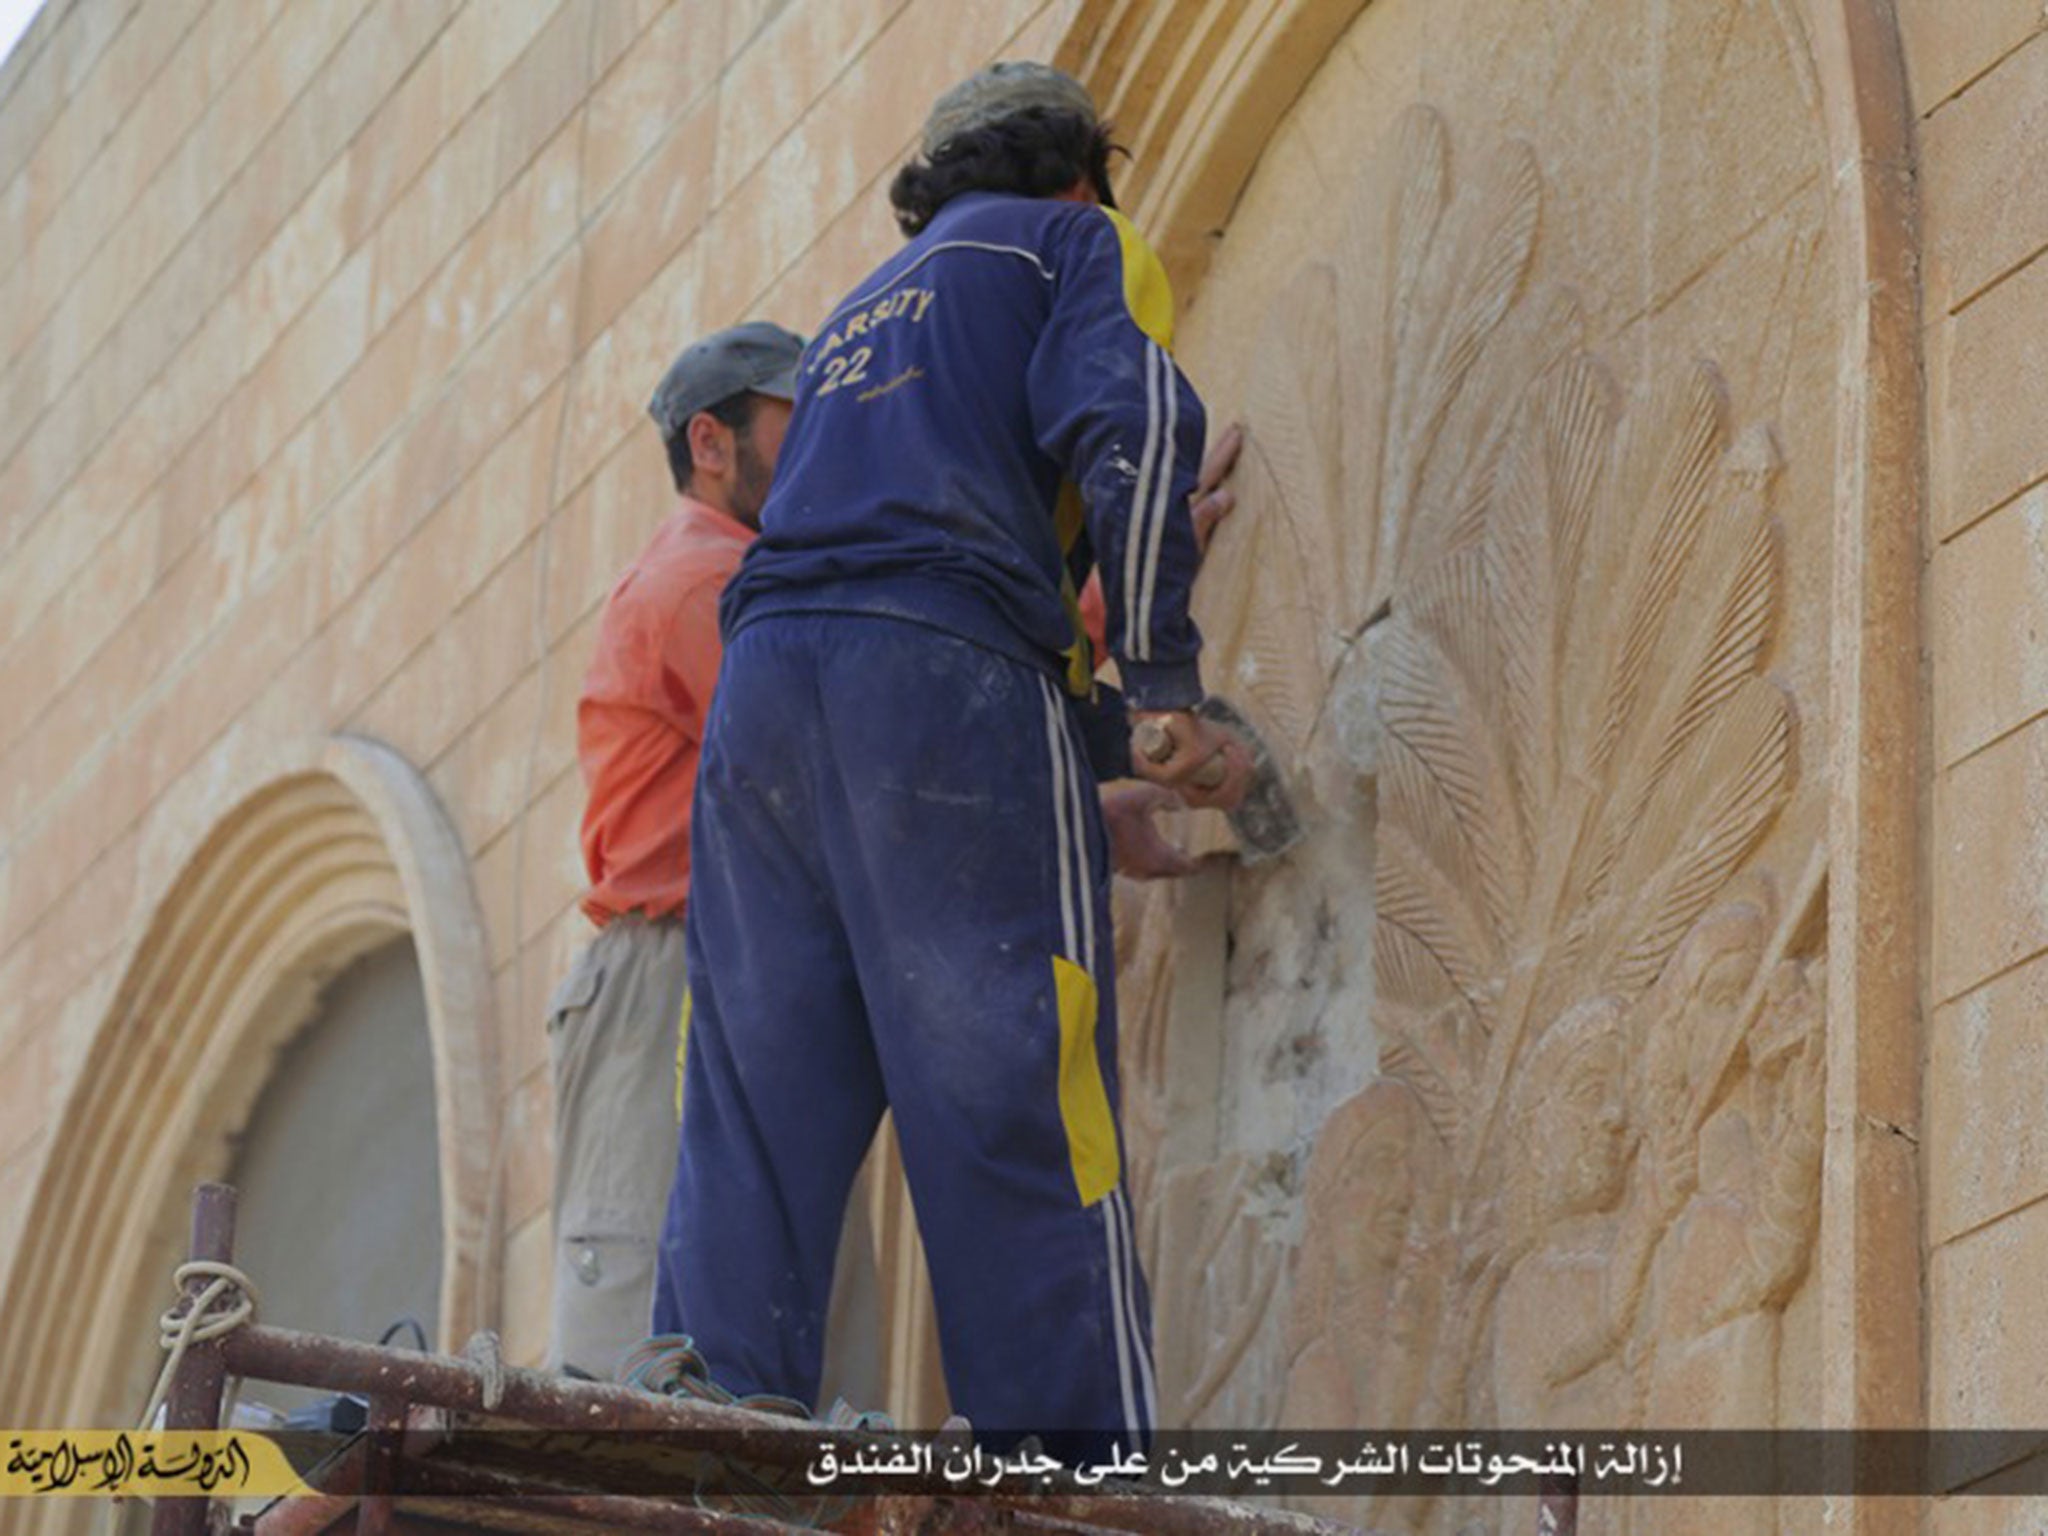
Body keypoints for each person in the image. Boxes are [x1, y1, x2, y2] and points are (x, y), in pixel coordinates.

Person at [653, 62, 1250, 1457]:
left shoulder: (860, 311)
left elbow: (885, 572)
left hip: (768, 705)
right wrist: (1165, 686)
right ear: (1081, 173)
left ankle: (714, 1424)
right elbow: (1142, 432)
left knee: (756, 1086)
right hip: (943, 682)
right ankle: (1078, 1467)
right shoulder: (1069, 242)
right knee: (1022, 1079)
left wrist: (1092, 748)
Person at [544, 321, 802, 1380]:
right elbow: (821, 760)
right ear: (712, 441)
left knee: (760, 1351)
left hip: (732, 968)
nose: (822, 438)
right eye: (797, 418)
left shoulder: (752, 574)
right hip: (670, 976)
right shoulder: (707, 581)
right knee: (634, 1355)